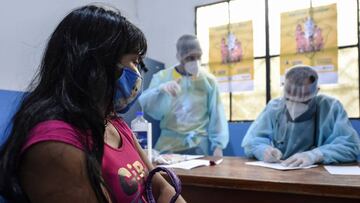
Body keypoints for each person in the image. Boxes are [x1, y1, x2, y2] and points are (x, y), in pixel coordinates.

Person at [0, 4, 185, 203]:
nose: (138, 73)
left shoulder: (113, 123)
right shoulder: (56, 146)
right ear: (94, 64)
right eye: (133, 61)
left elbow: (163, 188)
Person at [242, 65, 360, 167]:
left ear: (316, 91)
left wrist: (315, 155)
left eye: (304, 101)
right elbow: (251, 142)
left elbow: (351, 146)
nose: (294, 107)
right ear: (283, 88)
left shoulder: (330, 108)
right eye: (288, 99)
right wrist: (265, 151)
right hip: (282, 173)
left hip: (321, 177)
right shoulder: (275, 108)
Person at [138, 34, 229, 156]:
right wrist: (160, 90)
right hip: (168, 145)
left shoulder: (208, 81)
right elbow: (146, 104)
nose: (195, 62)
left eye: (199, 57)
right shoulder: (163, 77)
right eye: (190, 58)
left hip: (198, 146)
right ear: (179, 56)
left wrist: (218, 146)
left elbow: (217, 114)